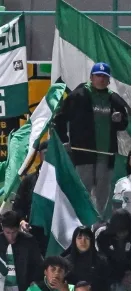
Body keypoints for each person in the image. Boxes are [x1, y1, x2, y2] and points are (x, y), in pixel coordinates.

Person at [55, 62, 130, 213]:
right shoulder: (78, 95)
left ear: (109, 81)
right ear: (91, 77)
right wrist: (64, 140)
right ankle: (81, 224)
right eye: (98, 76)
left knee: (103, 194)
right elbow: (60, 119)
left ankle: (99, 225)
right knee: (83, 191)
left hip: (106, 156)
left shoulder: (114, 99)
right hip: (83, 155)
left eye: (104, 77)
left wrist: (119, 120)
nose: (101, 79)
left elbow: (124, 124)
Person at [62, 226, 112, 291]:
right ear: (74, 240)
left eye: (87, 238)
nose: (83, 241)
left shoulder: (101, 261)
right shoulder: (66, 262)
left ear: (91, 240)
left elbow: (106, 287)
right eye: (79, 238)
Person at [13, 141, 49, 252]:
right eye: (46, 153)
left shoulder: (63, 180)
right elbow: (18, 206)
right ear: (39, 154)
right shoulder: (29, 180)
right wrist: (22, 221)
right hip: (33, 230)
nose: (49, 157)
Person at [95, 209, 131, 291]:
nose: (122, 234)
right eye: (119, 231)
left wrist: (129, 273)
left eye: (124, 231)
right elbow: (99, 259)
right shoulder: (102, 234)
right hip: (108, 275)